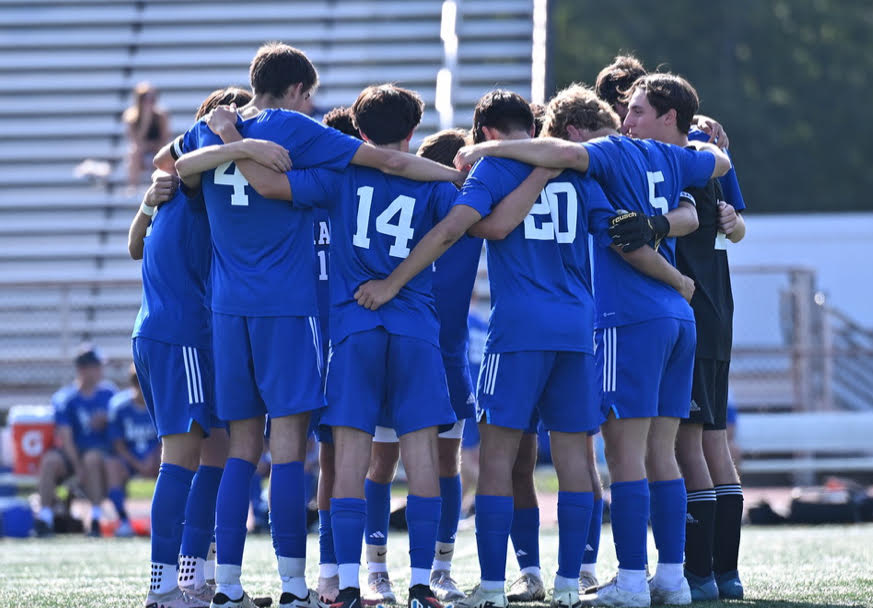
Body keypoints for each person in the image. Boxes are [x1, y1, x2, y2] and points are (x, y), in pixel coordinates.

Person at [171, 43, 462, 608]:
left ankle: (240, 584)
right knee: (309, 451)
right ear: (301, 91)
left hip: (238, 310)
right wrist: (453, 173)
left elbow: (182, 168)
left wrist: (229, 133)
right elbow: (400, 172)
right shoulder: (310, 136)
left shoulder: (210, 131)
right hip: (319, 313)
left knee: (243, 450)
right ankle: (315, 584)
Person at [448, 83, 730, 608]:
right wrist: (681, 275)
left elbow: (500, 224)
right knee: (628, 456)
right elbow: (703, 180)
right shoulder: (646, 163)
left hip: (579, 325)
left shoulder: (580, 163)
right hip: (606, 328)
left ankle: (508, 585)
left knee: (513, 460)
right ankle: (615, 580)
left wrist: (485, 157)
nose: (626, 121)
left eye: (635, 111)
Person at [356, 89, 614, 608]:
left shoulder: (494, 170)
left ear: (487, 134)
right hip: (576, 329)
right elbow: (610, 230)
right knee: (573, 461)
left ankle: (493, 587)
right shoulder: (577, 169)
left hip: (518, 329)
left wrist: (393, 281)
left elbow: (466, 226)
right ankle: (570, 583)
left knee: (496, 459)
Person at [130, 86, 256, 608]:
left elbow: (135, 246)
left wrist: (142, 207)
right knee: (181, 457)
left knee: (218, 452)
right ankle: (163, 588)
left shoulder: (176, 189)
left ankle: (191, 575)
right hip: (182, 333)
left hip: (165, 331)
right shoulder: (195, 189)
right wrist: (239, 143)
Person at [359, 127, 480, 605]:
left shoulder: (476, 213)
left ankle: (440, 569)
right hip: (402, 347)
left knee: (445, 462)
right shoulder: (415, 210)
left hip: (448, 355)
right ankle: (376, 569)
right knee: (383, 462)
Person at [35, 344, 117, 538]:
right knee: (50, 461)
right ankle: (44, 518)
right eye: (96, 366)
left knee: (92, 459)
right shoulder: (65, 398)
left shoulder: (109, 394)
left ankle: (96, 519)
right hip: (72, 453)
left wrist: (107, 420)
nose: (100, 371)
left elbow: (118, 428)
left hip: (98, 454)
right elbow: (66, 437)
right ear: (83, 369)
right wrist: (77, 466)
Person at [106, 364, 160, 538]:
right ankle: (123, 520)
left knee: (176, 465)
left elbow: (168, 438)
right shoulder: (119, 407)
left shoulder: (160, 404)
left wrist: (153, 458)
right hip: (130, 459)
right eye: (136, 381)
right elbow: (118, 444)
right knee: (112, 466)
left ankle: (164, 521)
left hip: (157, 458)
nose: (140, 386)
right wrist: (137, 463)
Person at [124, 82, 171, 191]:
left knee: (162, 153)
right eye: (145, 98)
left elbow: (164, 139)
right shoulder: (131, 117)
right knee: (133, 153)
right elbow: (136, 141)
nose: (148, 102)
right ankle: (133, 187)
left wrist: (151, 146)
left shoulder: (161, 116)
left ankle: (159, 186)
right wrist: (145, 120)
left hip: (156, 149)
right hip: (141, 152)